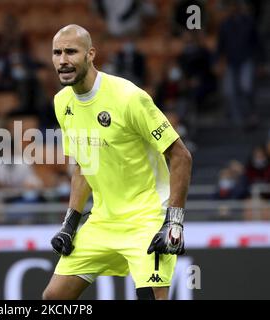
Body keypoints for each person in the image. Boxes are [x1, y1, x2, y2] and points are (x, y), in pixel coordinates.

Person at [42, 25, 192, 300]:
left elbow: (181, 155)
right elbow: (84, 167)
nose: (62, 60)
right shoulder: (62, 102)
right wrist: (69, 224)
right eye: (57, 52)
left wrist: (174, 222)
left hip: (147, 219)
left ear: (90, 54)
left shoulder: (128, 97)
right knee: (53, 298)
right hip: (103, 220)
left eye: (71, 52)